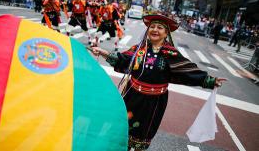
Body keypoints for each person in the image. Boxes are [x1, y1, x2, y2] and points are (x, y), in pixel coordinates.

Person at [90, 14, 226, 151]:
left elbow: (187, 71)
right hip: (131, 96)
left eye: (160, 28)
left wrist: (210, 81)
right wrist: (103, 53)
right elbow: (122, 60)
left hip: (153, 103)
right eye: (152, 26)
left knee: (142, 133)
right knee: (123, 129)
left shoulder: (170, 54)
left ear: (166, 33)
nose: (155, 30)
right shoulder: (139, 49)